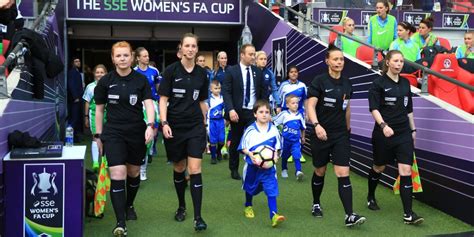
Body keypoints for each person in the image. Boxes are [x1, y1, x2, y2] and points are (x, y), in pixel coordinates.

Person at [94, 41, 155, 236]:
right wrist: (98, 136)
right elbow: (99, 111)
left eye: (125, 55)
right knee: (117, 173)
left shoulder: (141, 80)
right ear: (112, 59)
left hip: (136, 132)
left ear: (132, 57)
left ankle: (129, 205)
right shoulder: (105, 82)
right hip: (113, 133)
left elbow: (149, 104)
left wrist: (150, 125)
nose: (122, 59)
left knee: (133, 172)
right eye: (118, 56)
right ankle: (121, 222)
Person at [306, 44, 366, 227]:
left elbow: (346, 106)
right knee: (320, 171)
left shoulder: (348, 83)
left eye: (341, 59)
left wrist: (348, 127)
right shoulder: (319, 81)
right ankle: (316, 203)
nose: (339, 62)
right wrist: (316, 125)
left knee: (343, 173)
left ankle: (350, 215)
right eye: (335, 59)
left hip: (341, 134)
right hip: (321, 134)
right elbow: (310, 106)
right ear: (327, 61)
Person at [158, 33, 209, 231]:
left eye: (193, 46)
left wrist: (205, 128)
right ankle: (181, 206)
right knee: (179, 168)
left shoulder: (202, 73)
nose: (190, 49)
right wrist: (164, 123)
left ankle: (198, 217)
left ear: (197, 49)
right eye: (186, 45)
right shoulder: (171, 71)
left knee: (195, 170)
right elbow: (163, 99)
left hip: (195, 127)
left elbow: (202, 102)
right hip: (175, 127)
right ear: (181, 48)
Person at [367, 50, 424, 225]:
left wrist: (413, 130)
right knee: (379, 167)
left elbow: (409, 110)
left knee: (405, 171)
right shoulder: (378, 84)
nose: (399, 64)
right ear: (388, 63)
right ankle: (370, 196)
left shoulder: (406, 84)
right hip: (384, 134)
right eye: (396, 61)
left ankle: (408, 214)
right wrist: (383, 126)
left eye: (401, 61)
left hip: (403, 134)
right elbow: (374, 108)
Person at [222, 43, 267, 180]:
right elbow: (226, 92)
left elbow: (262, 93)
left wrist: (264, 110)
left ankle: (256, 168)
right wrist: (230, 110)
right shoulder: (231, 71)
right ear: (242, 55)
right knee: (235, 141)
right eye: (250, 54)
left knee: (255, 141)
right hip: (237, 112)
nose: (253, 57)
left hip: (253, 112)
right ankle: (234, 169)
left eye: (254, 54)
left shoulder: (258, 72)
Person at [239, 100, 286, 227]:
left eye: (267, 112)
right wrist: (250, 155)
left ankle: (274, 215)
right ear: (255, 114)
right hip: (252, 168)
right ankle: (248, 205)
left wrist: (275, 156)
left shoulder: (274, 130)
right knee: (250, 188)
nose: (264, 115)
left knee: (272, 190)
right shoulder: (250, 130)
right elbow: (243, 147)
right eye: (261, 112)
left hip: (269, 169)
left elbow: (278, 147)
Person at [134, 47, 161, 160]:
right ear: (138, 58)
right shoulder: (134, 71)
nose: (147, 58)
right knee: (142, 126)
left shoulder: (154, 71)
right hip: (140, 103)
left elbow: (158, 86)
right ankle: (144, 149)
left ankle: (151, 147)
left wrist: (159, 100)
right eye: (144, 56)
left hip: (152, 102)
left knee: (154, 125)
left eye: (148, 55)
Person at [272, 94, 306, 180]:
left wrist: (303, 137)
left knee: (296, 155)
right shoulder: (284, 114)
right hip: (285, 140)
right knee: (284, 155)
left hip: (296, 141)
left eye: (297, 103)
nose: (295, 105)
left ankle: (298, 171)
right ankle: (284, 169)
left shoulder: (300, 115)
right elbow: (275, 121)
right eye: (293, 103)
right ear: (287, 105)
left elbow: (303, 128)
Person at [82, 64, 107, 171]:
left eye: (102, 72)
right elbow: (87, 102)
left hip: (108, 115)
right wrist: (86, 116)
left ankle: (105, 161)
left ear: (105, 73)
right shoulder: (90, 87)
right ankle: (96, 162)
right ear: (94, 74)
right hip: (94, 115)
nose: (99, 74)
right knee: (96, 137)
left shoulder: (109, 85)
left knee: (107, 138)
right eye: (97, 72)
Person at [207, 80, 225, 164]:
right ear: (211, 89)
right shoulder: (209, 99)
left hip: (220, 121)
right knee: (213, 140)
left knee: (222, 140)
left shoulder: (223, 97)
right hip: (212, 122)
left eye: (219, 88)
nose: (218, 90)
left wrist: (226, 118)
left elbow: (225, 109)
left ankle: (218, 151)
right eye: (215, 88)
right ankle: (213, 157)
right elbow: (206, 111)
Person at [67, 57, 84, 142]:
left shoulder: (76, 72)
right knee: (73, 119)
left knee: (76, 119)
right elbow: (71, 85)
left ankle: (75, 138)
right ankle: (69, 139)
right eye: (76, 61)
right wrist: (75, 97)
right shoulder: (73, 72)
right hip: (75, 100)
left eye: (79, 61)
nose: (78, 62)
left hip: (78, 99)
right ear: (72, 63)